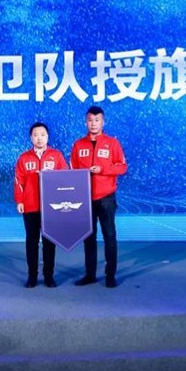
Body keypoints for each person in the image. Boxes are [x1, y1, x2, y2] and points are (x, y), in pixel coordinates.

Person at [70, 106, 127, 288]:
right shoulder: (78, 145)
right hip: (85, 198)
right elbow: (73, 170)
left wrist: (102, 169)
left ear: (103, 122)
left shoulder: (112, 143)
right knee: (89, 237)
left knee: (109, 236)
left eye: (97, 120)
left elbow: (122, 167)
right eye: (90, 120)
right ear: (85, 122)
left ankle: (110, 275)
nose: (93, 123)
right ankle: (90, 274)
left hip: (106, 197)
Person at [14, 122, 68, 288]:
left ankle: (48, 276)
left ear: (48, 137)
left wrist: (51, 176)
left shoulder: (56, 156)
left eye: (43, 135)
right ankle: (32, 276)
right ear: (31, 137)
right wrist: (20, 200)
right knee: (31, 241)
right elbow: (18, 181)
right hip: (30, 206)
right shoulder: (24, 158)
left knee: (49, 242)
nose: (39, 138)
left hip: (51, 206)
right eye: (36, 135)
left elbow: (66, 178)